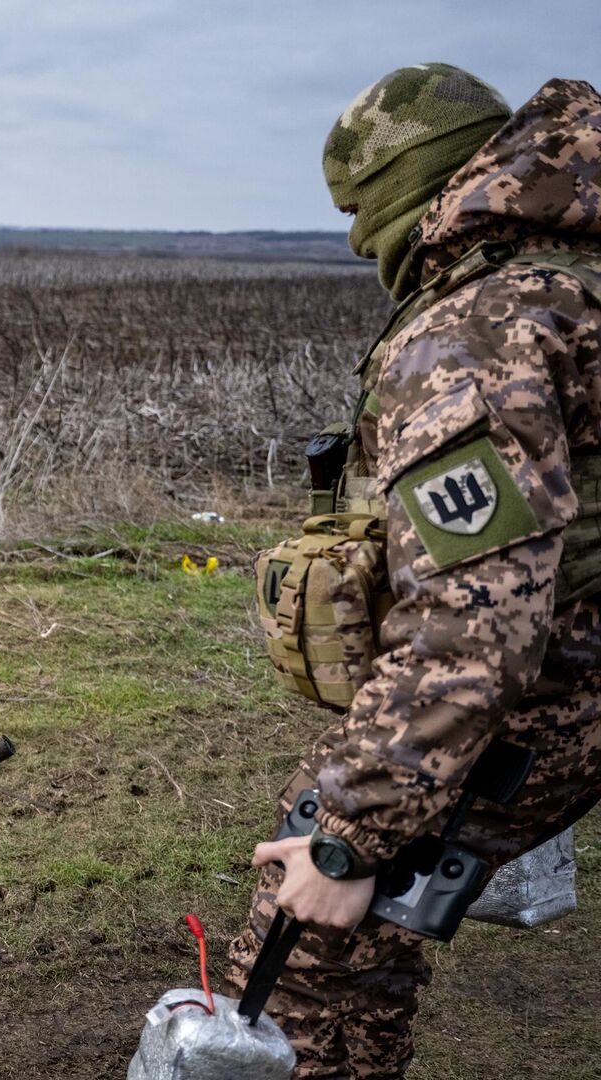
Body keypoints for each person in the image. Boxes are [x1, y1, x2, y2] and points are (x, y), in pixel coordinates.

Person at [229, 64, 601, 1077]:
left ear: (408, 191)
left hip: (560, 687)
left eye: (359, 212)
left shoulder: (476, 334)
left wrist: (352, 837)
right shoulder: (576, 279)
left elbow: (471, 628)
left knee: (309, 940)